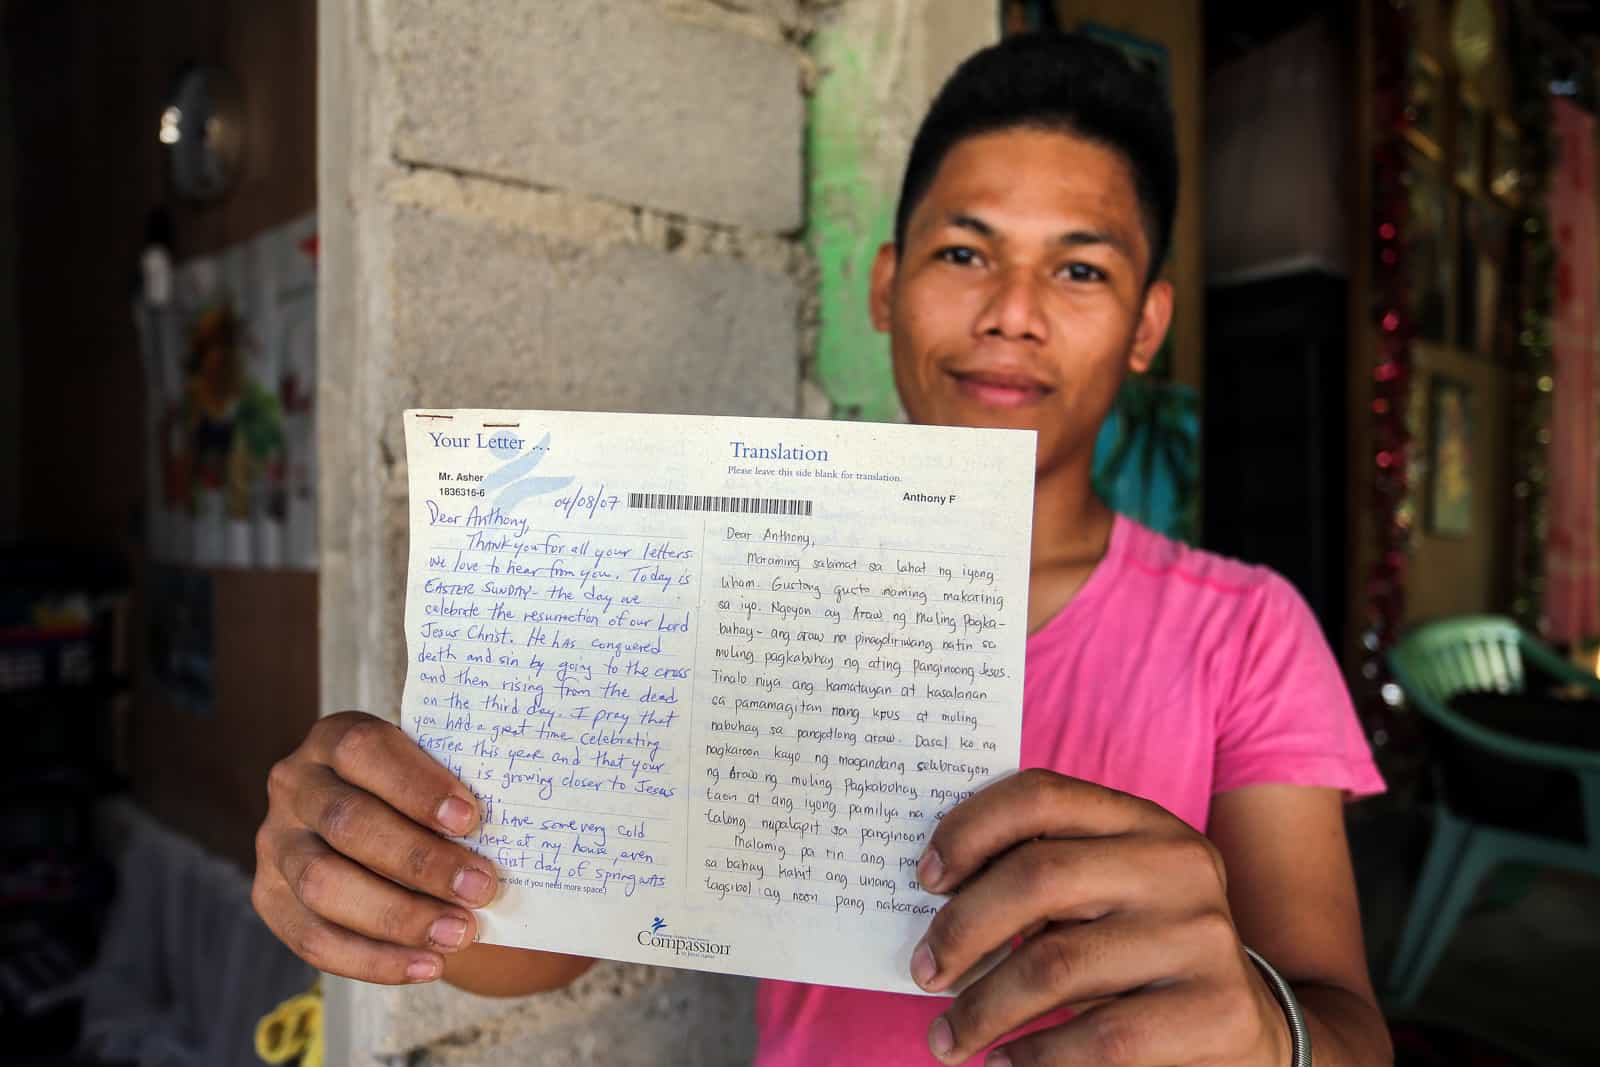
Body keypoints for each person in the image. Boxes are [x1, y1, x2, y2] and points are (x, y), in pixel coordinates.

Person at [252, 32, 1393, 1066]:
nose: (1011, 311)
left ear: (1147, 324)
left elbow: (1345, 1026)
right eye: (964, 253)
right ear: (886, 287)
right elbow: (527, 942)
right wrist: (389, 877)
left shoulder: (1244, 628)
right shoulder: (735, 573)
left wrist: (1263, 1029)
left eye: (1080, 268)